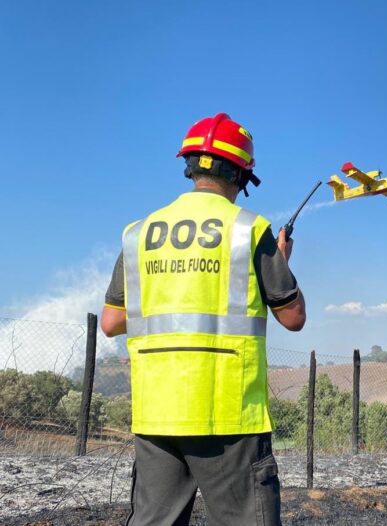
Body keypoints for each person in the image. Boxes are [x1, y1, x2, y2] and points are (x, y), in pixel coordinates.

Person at [101, 113, 305, 526]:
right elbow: (293, 316)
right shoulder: (248, 229)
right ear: (242, 176)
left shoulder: (139, 233)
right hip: (228, 416)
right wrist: (281, 263)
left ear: (190, 165)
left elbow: (110, 322)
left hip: (157, 413)